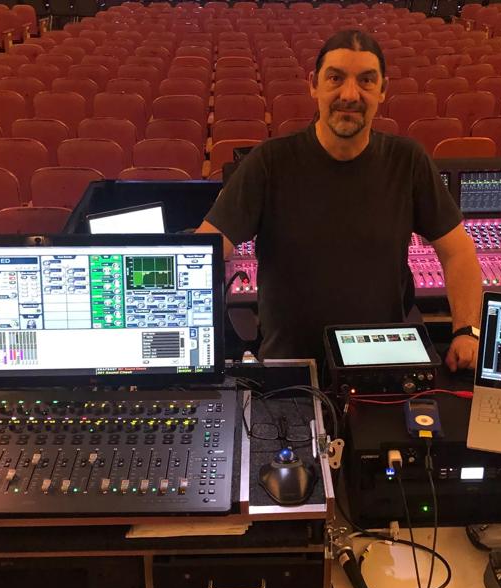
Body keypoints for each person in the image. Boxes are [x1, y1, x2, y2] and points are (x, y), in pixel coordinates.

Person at [197, 30, 482, 371]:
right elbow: (208, 250)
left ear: (382, 90)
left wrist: (467, 330)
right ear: (314, 85)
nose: (350, 94)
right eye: (336, 78)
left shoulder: (408, 161)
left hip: (379, 366)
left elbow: (458, 251)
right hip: (291, 370)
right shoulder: (268, 163)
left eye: (366, 80)